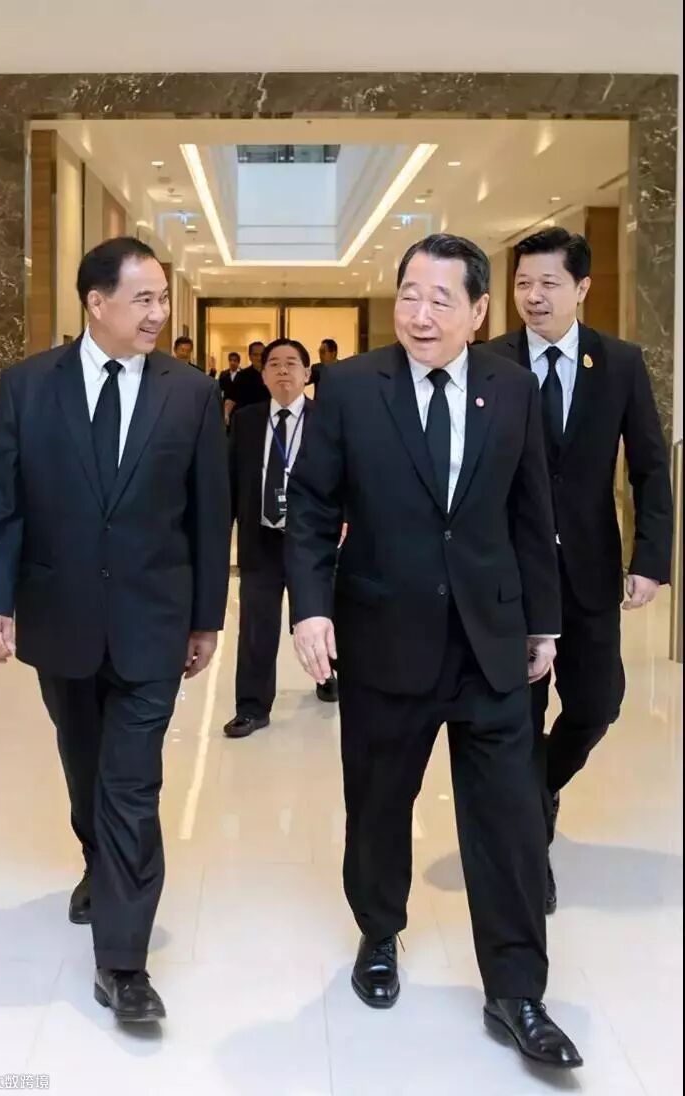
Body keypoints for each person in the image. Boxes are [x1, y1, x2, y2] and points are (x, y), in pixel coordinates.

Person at [285, 233, 583, 1069]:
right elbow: (310, 508)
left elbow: (531, 513)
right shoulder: (350, 388)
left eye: (441, 299)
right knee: (380, 804)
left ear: (479, 311)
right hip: (385, 637)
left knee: (509, 822)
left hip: (490, 643)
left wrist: (545, 623)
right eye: (409, 296)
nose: (420, 314)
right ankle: (380, 932)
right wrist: (311, 611)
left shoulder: (511, 388)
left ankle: (517, 992)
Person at [0, 237, 231, 1023]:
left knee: (131, 783)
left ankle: (123, 964)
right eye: (144, 299)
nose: (159, 314)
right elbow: (1, 499)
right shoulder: (28, 386)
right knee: (86, 769)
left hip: (153, 622)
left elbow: (208, 515)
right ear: (96, 302)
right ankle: (98, 860)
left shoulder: (190, 393)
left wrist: (206, 619)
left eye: (164, 299)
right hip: (62, 619)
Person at [487, 227, 673, 913]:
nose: (533, 297)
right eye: (523, 283)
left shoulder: (618, 363)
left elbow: (650, 467)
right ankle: (529, 849)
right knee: (520, 714)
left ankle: (540, 789)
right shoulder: (489, 362)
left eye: (548, 284)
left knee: (599, 703)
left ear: (582, 288)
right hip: (511, 576)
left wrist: (650, 559)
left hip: (590, 569)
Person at [224, 339, 338, 740]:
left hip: (314, 541)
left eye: (292, 363)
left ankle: (327, 676)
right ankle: (251, 707)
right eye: (274, 364)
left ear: (308, 374)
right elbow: (232, 478)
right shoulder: (247, 420)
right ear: (263, 375)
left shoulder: (327, 419)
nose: (283, 370)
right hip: (262, 538)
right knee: (257, 623)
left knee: (322, 613)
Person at [224, 340, 270, 422]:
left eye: (262, 354)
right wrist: (226, 414)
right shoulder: (242, 376)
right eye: (255, 355)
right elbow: (231, 398)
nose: (259, 358)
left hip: (268, 419)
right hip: (247, 419)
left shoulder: (273, 375)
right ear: (250, 357)